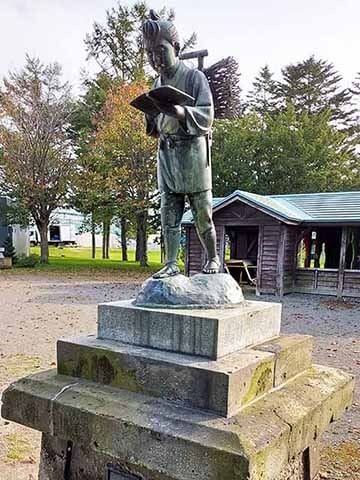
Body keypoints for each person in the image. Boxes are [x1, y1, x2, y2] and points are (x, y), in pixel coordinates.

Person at [142, 10, 220, 279]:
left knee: (202, 213)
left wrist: (178, 112)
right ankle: (171, 262)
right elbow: (154, 128)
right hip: (167, 155)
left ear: (176, 47)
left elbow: (207, 115)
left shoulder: (195, 78)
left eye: (160, 51)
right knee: (168, 214)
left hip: (193, 154)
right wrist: (151, 114)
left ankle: (213, 258)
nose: (156, 59)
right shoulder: (156, 81)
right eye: (150, 54)